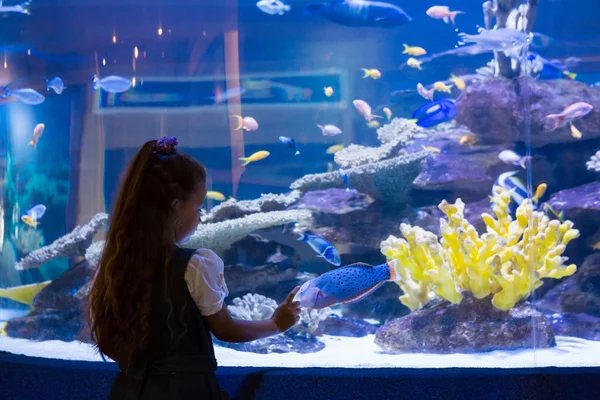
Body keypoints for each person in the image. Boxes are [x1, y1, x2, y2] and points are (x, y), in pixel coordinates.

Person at [88, 136, 301, 400]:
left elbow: (108, 338)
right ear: (175, 207)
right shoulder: (196, 265)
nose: (200, 217)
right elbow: (226, 330)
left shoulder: (112, 264)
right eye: (198, 207)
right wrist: (276, 323)